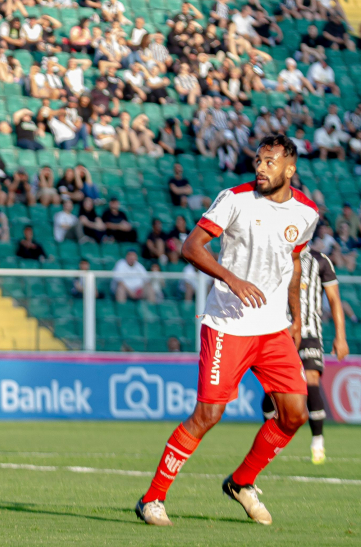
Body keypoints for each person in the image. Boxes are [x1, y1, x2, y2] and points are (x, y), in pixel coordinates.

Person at [136, 135, 319, 527]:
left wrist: (296, 318)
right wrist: (231, 279)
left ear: (290, 169)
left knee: (294, 415)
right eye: (258, 160)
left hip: (273, 329)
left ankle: (241, 482)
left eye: (270, 162)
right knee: (208, 414)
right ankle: (151, 499)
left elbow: (295, 263)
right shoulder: (234, 199)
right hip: (228, 325)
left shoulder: (307, 212)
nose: (261, 168)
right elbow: (191, 247)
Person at [260, 249, 348, 464]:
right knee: (273, 391)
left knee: (311, 380)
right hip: (279, 332)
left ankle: (318, 442)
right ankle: (269, 437)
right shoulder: (276, 253)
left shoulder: (321, 260)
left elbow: (334, 299)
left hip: (310, 333)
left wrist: (341, 336)